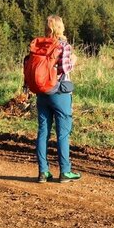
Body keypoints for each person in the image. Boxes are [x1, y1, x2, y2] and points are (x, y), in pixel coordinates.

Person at [34, 15, 81, 184]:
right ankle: (65, 171)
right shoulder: (63, 45)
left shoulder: (39, 45)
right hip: (60, 93)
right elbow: (64, 68)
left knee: (43, 132)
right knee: (62, 134)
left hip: (42, 93)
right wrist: (74, 61)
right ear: (60, 27)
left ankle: (43, 172)